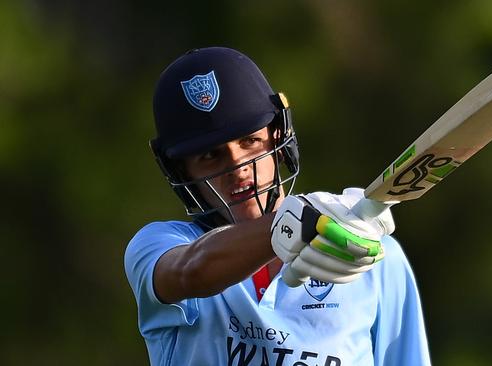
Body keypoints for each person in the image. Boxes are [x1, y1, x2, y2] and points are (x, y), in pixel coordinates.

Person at [124, 47, 431, 366]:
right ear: (182, 172)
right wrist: (299, 224)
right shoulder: (158, 246)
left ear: (279, 136)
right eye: (210, 156)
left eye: (249, 141)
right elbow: (191, 272)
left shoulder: (373, 256)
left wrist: (311, 223)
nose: (238, 167)